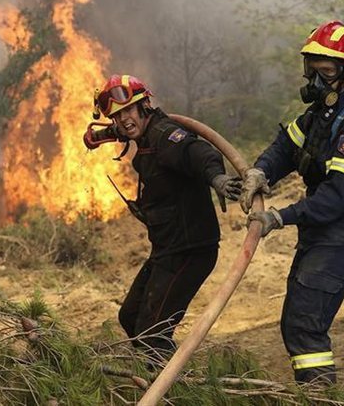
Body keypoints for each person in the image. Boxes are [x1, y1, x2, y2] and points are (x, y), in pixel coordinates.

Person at [240, 21, 344, 384]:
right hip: (321, 232)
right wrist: (261, 172)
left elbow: (335, 198)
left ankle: (321, 397)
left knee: (305, 325)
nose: (318, 79)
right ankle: (318, 394)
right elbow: (284, 149)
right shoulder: (319, 116)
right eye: (313, 68)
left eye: (328, 70)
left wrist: (279, 216)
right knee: (296, 320)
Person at [88, 74, 242, 365]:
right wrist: (97, 136)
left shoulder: (165, 136)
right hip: (166, 250)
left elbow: (197, 153)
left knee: (152, 333)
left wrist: (218, 179)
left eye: (128, 112)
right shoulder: (143, 135)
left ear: (144, 105)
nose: (123, 121)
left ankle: (171, 388)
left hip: (190, 251)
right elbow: (122, 130)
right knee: (130, 316)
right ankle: (160, 375)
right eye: (116, 117)